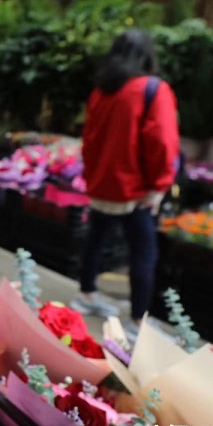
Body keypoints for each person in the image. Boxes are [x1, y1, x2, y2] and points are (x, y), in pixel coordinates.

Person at [72, 30, 180, 342]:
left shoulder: (101, 92)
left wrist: (93, 177)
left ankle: (87, 294)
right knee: (143, 253)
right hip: (136, 189)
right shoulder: (152, 89)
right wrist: (160, 185)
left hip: (103, 184)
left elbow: (89, 140)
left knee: (96, 239)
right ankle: (138, 321)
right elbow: (162, 141)